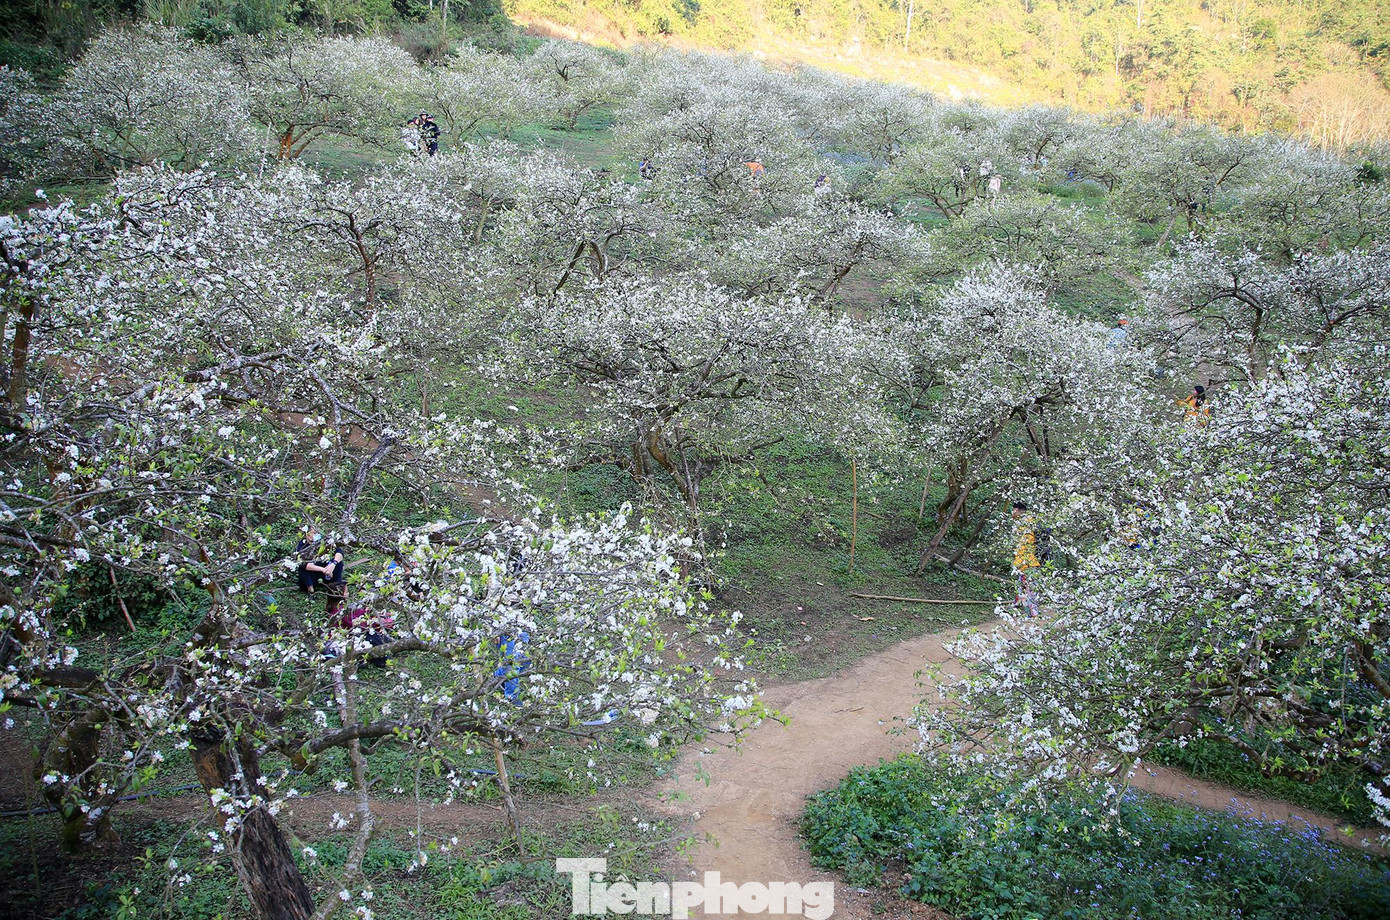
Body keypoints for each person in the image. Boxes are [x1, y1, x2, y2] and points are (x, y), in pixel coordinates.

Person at [1011, 502, 1041, 618]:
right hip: (1024, 562)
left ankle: (1033, 613)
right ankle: (1016, 606)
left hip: (1027, 563)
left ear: (1017, 510)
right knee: (1021, 586)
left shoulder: (1026, 522)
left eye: (1013, 510)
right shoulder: (1025, 522)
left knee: (1028, 589)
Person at [295, 525, 323, 593]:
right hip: (311, 569)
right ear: (307, 534)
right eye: (312, 533)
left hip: (321, 569)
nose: (314, 535)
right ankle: (310, 590)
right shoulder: (302, 545)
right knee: (302, 567)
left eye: (316, 533)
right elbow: (303, 562)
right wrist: (323, 569)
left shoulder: (321, 542)